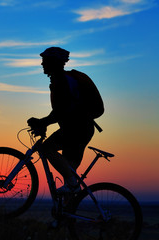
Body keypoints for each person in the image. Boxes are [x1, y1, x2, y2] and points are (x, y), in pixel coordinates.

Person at [27, 47, 104, 194]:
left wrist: (42, 122)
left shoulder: (61, 81)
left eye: (45, 61)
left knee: (46, 149)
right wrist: (44, 122)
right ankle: (68, 214)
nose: (42, 64)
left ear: (54, 62)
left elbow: (62, 111)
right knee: (69, 174)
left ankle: (72, 186)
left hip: (76, 129)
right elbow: (61, 110)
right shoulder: (63, 80)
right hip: (81, 129)